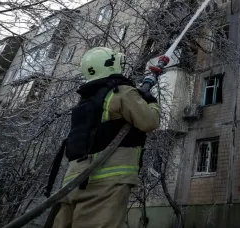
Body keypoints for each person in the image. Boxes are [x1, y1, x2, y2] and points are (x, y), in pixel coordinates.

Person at [52, 47, 161, 228]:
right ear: (111, 65)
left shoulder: (86, 100)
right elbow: (149, 122)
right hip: (105, 182)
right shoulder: (121, 91)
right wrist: (151, 102)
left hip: (73, 181)